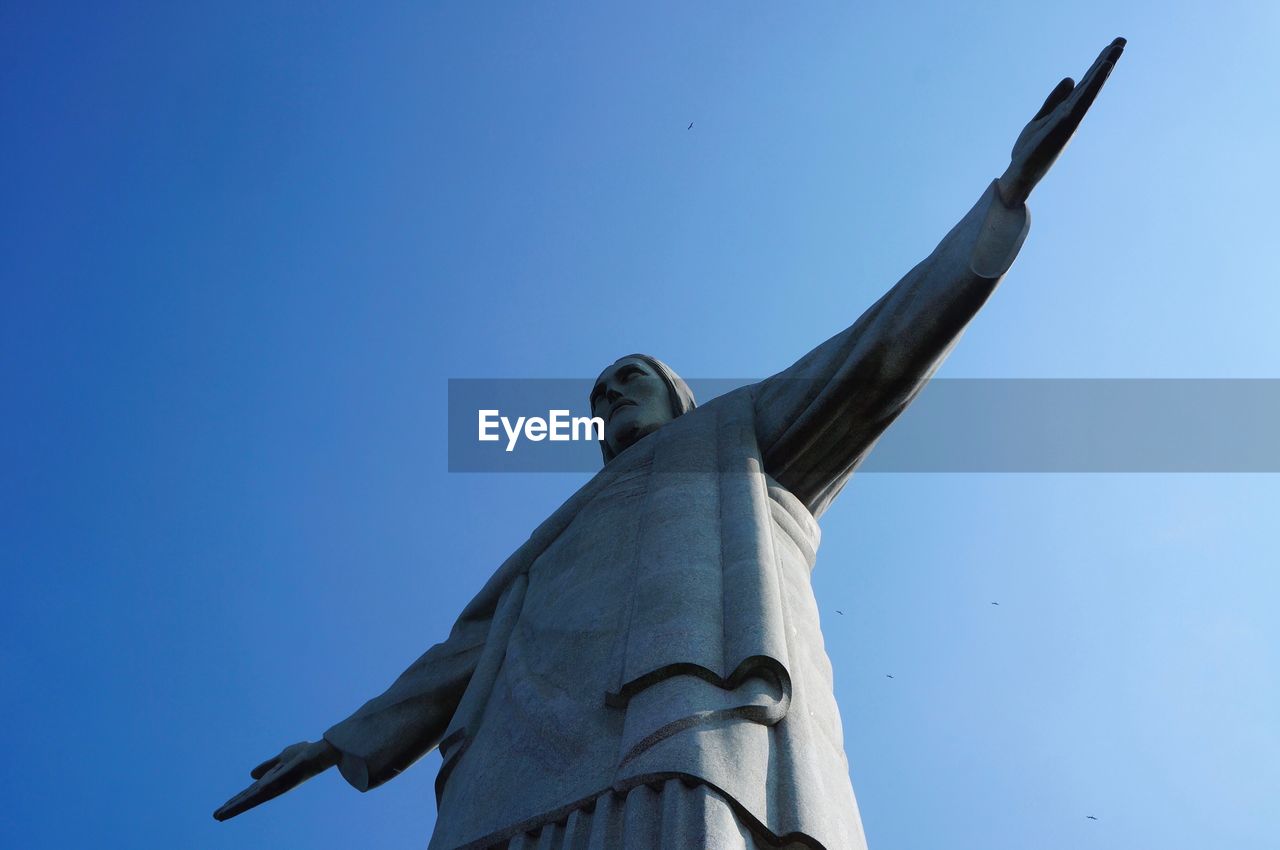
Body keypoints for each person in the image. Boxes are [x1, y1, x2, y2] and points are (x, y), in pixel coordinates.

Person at [216, 38, 1126, 850]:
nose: (610, 393)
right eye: (600, 389)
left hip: (684, 712)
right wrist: (342, 740)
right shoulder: (556, 534)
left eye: (628, 376)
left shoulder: (739, 438)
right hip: (517, 769)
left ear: (679, 396)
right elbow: (464, 653)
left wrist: (1002, 199)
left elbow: (877, 351)